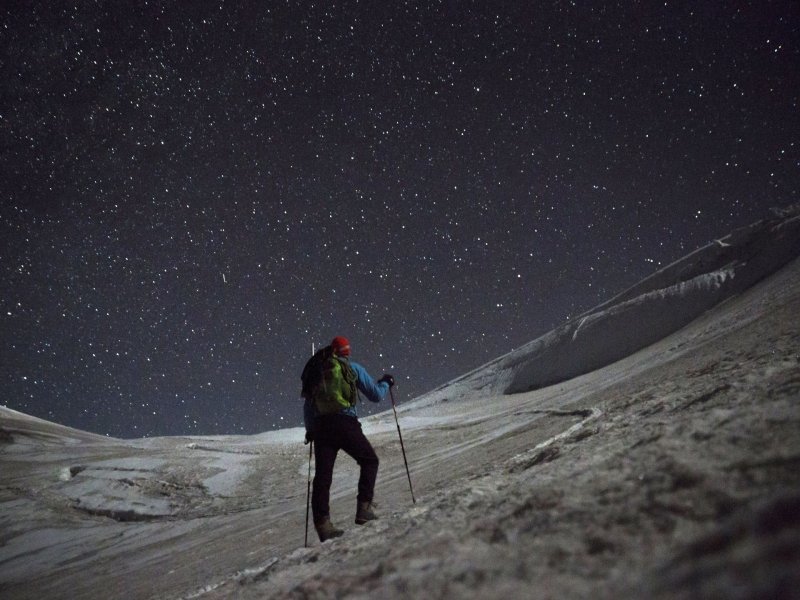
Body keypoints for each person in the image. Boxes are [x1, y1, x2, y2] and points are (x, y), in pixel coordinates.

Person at [302, 336, 395, 542]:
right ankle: (364, 509)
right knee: (369, 461)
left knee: (323, 477)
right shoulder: (352, 369)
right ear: (346, 351)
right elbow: (375, 395)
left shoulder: (317, 372)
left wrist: (311, 430)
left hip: (321, 428)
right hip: (345, 422)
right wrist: (386, 383)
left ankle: (323, 525)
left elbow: (308, 405)